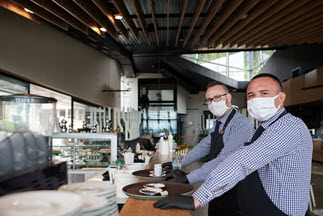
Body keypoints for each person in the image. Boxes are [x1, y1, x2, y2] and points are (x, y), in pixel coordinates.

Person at [154, 74, 313, 216]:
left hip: (279, 210)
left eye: (264, 93)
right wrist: (182, 164)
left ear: (281, 98)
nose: (256, 99)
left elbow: (239, 161)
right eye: (251, 95)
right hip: (253, 203)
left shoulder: (288, 127)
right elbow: (204, 147)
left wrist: (195, 195)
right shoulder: (263, 128)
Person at [162, 81, 255, 215]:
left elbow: (224, 160)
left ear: (228, 97)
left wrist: (189, 178)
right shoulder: (219, 123)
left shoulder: (240, 124)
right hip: (216, 186)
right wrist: (178, 163)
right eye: (209, 100)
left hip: (235, 189)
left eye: (217, 97)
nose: (213, 102)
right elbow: (203, 146)